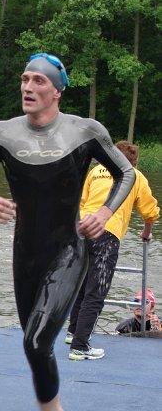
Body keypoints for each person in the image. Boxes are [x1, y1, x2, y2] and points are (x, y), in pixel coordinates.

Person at [0, 52, 135, 411]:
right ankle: (53, 410)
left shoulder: (85, 130)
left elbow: (126, 173)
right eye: (25, 79)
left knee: (36, 342)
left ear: (57, 91)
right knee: (33, 342)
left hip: (69, 250)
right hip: (25, 253)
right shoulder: (3, 133)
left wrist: (104, 212)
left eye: (38, 81)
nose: (28, 87)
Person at [66, 141, 159, 359]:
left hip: (81, 229)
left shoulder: (96, 171)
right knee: (96, 291)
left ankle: (73, 332)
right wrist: (146, 233)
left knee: (82, 283)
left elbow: (81, 201)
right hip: (106, 233)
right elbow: (150, 212)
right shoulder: (134, 176)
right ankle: (80, 346)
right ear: (133, 162)